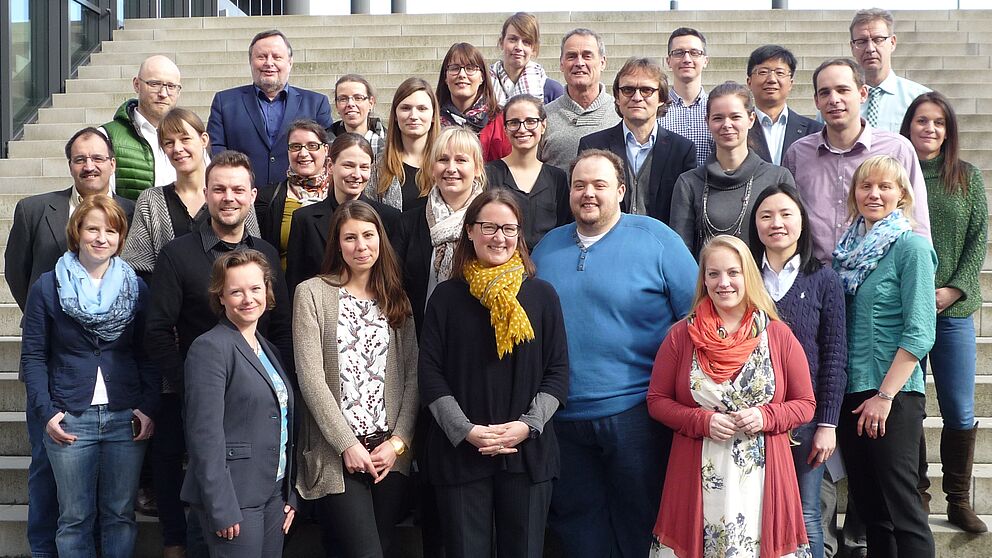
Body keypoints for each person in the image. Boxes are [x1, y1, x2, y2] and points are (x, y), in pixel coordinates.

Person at [532, 150, 697, 558]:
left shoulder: (658, 240)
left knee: (640, 521)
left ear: (621, 190)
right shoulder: (545, 249)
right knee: (577, 528)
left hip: (636, 414)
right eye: (580, 185)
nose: (588, 194)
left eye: (600, 185)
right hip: (563, 416)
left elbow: (695, 318)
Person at [5, 127, 134, 558]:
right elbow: (17, 273)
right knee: (45, 470)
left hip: (114, 383)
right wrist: (59, 316)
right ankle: (43, 550)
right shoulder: (35, 209)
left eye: (98, 157)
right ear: (70, 164)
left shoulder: (132, 212)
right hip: (57, 368)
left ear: (113, 163)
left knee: (113, 505)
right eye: (80, 158)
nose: (89, 165)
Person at [419, 189, 569, 558]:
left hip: (527, 451)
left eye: (509, 228)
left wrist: (527, 425)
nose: (499, 237)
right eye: (489, 227)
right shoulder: (446, 298)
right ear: (469, 231)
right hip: (461, 453)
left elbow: (558, 371)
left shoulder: (542, 296)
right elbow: (430, 373)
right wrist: (466, 431)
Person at [647, 234, 815, 557]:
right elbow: (657, 400)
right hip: (697, 472)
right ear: (704, 280)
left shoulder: (778, 335)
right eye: (714, 274)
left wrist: (767, 416)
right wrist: (701, 421)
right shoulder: (681, 336)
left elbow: (805, 404)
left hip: (764, 477)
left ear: (748, 276)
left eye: (733, 273)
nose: (724, 282)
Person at [20, 195, 155, 558]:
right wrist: (47, 411)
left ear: (121, 237)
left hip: (123, 416)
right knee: (75, 518)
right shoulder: (48, 287)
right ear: (76, 232)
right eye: (92, 228)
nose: (101, 238)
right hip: (70, 415)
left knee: (119, 515)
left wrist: (147, 406)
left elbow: (148, 352)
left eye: (111, 230)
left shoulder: (136, 289)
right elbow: (33, 356)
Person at [293, 200, 418, 557]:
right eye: (350, 238)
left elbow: (412, 376)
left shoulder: (396, 298)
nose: (361, 246)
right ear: (337, 244)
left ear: (381, 239)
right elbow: (310, 376)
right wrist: (347, 443)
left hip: (387, 455)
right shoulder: (312, 293)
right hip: (337, 453)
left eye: (368, 235)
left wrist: (397, 444)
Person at [834, 155, 936, 557]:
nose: (874, 194)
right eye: (865, 186)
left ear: (902, 195)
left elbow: (920, 331)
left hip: (893, 395)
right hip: (851, 392)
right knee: (872, 512)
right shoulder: (847, 252)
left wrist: (885, 396)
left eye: (885, 187)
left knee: (903, 510)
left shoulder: (911, 246)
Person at [901, 92, 988, 533]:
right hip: (904, 312)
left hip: (953, 312)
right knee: (910, 404)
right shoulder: (896, 174)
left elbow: (978, 240)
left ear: (949, 130)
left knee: (957, 406)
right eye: (921, 121)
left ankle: (958, 498)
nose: (929, 129)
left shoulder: (967, 178)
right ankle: (917, 494)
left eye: (938, 122)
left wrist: (953, 289)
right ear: (908, 126)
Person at [748, 185, 848, 558]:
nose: (777, 223)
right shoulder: (743, 280)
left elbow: (835, 355)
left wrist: (827, 424)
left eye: (786, 214)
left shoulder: (824, 280)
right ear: (755, 224)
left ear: (802, 222)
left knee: (806, 514)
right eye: (766, 215)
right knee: (754, 512)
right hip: (753, 418)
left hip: (806, 420)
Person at [182, 249, 297, 558]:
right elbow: (204, 435)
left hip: (273, 492)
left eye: (255, 288)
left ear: (267, 290)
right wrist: (221, 506)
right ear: (221, 297)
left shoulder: (268, 348)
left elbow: (283, 419)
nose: (248, 298)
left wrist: (290, 493)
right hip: (234, 496)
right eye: (236, 291)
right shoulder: (210, 348)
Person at [782, 58, 930, 263]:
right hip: (816, 278)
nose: (834, 99)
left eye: (843, 90)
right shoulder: (799, 154)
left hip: (878, 279)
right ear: (816, 101)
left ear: (862, 94)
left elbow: (917, 221)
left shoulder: (896, 149)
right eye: (825, 92)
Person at [124, 108, 261, 279]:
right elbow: (136, 265)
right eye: (169, 143)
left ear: (203, 139)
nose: (178, 148)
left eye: (185, 139)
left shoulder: (232, 197)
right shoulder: (151, 201)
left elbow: (255, 252)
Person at [670, 81, 796, 257]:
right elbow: (681, 254)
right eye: (718, 118)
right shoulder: (689, 183)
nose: (726, 125)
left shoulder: (777, 178)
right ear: (707, 122)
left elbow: (791, 245)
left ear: (751, 119)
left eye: (735, 117)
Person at [207, 29, 334, 187]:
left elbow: (327, 150)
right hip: (243, 198)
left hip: (300, 199)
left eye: (277, 57)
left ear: (290, 62)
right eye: (261, 57)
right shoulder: (224, 102)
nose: (269, 63)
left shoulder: (316, 103)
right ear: (251, 61)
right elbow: (217, 149)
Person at [578, 57, 696, 224]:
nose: (637, 97)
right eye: (628, 90)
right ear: (617, 98)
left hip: (660, 244)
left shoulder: (682, 150)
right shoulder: (593, 146)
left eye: (646, 90)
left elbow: (685, 215)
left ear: (661, 98)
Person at [397, 127, 487, 335]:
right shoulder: (408, 221)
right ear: (431, 167)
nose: (451, 168)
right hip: (420, 337)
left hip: (477, 338)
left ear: (478, 168)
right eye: (443, 160)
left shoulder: (490, 221)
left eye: (461, 160)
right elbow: (394, 284)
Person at [286, 133, 401, 293]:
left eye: (364, 167)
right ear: (330, 166)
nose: (356, 174)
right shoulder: (304, 219)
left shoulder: (389, 218)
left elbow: (393, 278)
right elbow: (295, 281)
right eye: (348, 165)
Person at [485, 94, 569, 248]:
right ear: (505, 129)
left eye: (531, 121)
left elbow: (564, 229)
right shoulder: (489, 174)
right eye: (514, 123)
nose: (522, 129)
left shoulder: (557, 178)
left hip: (546, 264)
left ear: (543, 126)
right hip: (502, 266)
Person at [253, 119, 333, 268]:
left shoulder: (340, 193)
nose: (303, 153)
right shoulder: (268, 197)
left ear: (326, 150)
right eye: (296, 147)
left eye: (312, 146)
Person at [102, 55, 183, 199]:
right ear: (137, 85)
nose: (163, 94)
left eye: (171, 86)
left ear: (178, 91)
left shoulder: (191, 138)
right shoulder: (106, 137)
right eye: (154, 84)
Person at [539, 28, 620, 172]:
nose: (579, 63)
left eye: (587, 56)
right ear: (561, 64)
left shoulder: (620, 114)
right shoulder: (544, 117)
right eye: (571, 56)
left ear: (603, 63)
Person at [849, 8, 930, 132]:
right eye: (862, 41)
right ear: (852, 47)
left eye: (878, 40)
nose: (870, 48)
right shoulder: (838, 102)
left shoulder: (919, 99)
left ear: (892, 42)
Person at [368, 77, 441, 211]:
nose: (413, 115)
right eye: (406, 108)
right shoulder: (378, 167)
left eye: (422, 108)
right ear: (395, 115)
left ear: (433, 115)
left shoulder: (446, 165)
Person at [745, 45, 823, 165]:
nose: (771, 79)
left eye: (780, 73)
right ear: (749, 82)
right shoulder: (739, 129)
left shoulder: (814, 131)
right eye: (763, 72)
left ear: (791, 83)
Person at [437, 42, 511, 162]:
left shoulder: (500, 122)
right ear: (445, 77)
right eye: (454, 68)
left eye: (470, 68)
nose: (462, 74)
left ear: (482, 77)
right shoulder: (432, 121)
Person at [658, 27, 713, 166]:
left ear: (705, 60)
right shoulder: (656, 110)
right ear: (668, 61)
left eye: (695, 53)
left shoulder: (716, 109)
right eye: (679, 53)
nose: (687, 59)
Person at [489, 12, 564, 107]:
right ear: (501, 42)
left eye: (526, 42)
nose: (519, 47)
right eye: (513, 39)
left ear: (534, 49)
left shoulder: (552, 90)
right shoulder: (482, 87)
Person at [331, 74, 386, 156]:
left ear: (371, 103)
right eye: (343, 99)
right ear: (336, 105)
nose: (350, 104)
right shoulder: (325, 144)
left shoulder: (391, 143)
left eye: (358, 98)